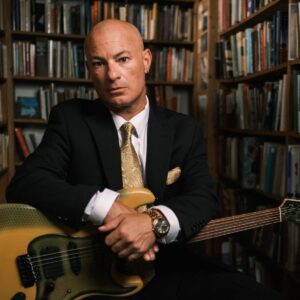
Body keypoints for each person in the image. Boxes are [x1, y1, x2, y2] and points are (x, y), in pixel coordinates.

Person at [6, 19, 283, 300]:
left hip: (172, 268)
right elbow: (27, 182)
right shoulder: (70, 119)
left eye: (123, 59)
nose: (112, 74)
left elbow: (204, 198)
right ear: (90, 70)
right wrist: (105, 206)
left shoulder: (184, 130)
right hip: (93, 278)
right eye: (99, 64)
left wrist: (154, 222)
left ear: (146, 60)